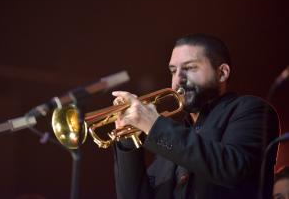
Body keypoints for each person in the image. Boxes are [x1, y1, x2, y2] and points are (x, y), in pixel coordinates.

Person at [112, 34, 280, 199]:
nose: (178, 79)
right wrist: (128, 142)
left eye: (190, 68)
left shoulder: (251, 110)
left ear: (222, 73)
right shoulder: (170, 139)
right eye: (173, 71)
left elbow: (233, 169)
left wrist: (154, 125)